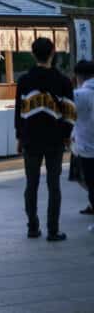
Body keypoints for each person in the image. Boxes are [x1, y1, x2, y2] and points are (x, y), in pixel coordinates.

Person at [15, 37, 76, 241]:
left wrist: (20, 137)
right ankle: (53, 230)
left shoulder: (24, 81)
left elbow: (19, 111)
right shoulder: (63, 81)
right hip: (55, 139)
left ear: (33, 54)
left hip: (31, 138)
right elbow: (69, 111)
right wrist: (67, 136)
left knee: (31, 184)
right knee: (54, 185)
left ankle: (33, 226)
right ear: (53, 53)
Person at [72, 60, 94, 226]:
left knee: (91, 183)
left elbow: (70, 117)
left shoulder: (79, 94)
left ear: (78, 76)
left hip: (87, 147)